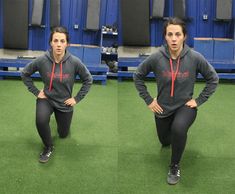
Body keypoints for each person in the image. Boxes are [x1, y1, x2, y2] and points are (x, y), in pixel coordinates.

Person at [133, 17, 219, 185]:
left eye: (178, 34)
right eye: (170, 34)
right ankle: (171, 134)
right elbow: (137, 76)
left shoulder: (194, 57)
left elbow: (213, 79)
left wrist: (199, 100)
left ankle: (174, 166)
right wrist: (149, 100)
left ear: (184, 36)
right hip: (162, 108)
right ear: (165, 36)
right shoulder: (157, 57)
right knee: (165, 141)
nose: (174, 38)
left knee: (179, 129)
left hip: (185, 106)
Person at [21, 26, 93, 163]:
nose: (59, 44)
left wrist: (76, 99)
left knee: (63, 134)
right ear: (51, 43)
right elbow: (25, 74)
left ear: (67, 44)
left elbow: (88, 80)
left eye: (62, 41)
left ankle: (62, 124)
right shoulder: (42, 60)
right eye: (56, 41)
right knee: (41, 120)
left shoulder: (74, 62)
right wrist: (36, 92)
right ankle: (48, 147)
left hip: (65, 102)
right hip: (46, 98)